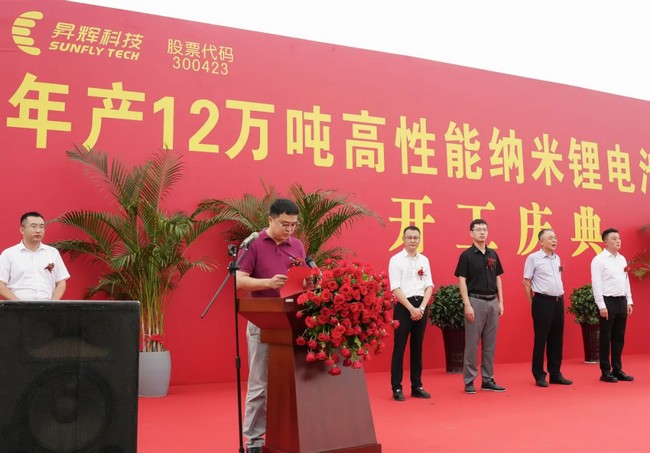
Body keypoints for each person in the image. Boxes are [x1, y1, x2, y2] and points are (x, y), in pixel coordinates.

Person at [236, 199, 306, 453]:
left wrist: (309, 282)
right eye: (285, 224)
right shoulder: (254, 244)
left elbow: (302, 277)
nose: (290, 230)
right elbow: (238, 281)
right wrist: (267, 283)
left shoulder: (297, 245)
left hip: (292, 322)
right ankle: (254, 441)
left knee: (293, 383)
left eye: (294, 225)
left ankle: (289, 436)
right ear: (270, 220)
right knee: (260, 384)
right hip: (262, 322)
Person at [454, 219, 505, 394]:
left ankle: (488, 379)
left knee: (490, 344)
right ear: (471, 233)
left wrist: (501, 301)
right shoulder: (466, 255)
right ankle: (469, 380)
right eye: (478, 230)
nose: (482, 232)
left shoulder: (493, 254)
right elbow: (462, 280)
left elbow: (498, 278)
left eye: (485, 229)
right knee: (472, 344)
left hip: (492, 301)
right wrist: (467, 304)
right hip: (475, 301)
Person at [388, 226, 434, 401]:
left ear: (420, 239)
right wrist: (411, 309)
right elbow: (395, 288)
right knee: (399, 348)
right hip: (403, 306)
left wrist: (421, 308)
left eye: (416, 237)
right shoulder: (396, 260)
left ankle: (417, 386)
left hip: (421, 306)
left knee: (417, 348)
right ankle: (397, 387)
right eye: (409, 237)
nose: (413, 240)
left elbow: (429, 285)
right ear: (403, 239)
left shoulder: (424, 260)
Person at [522, 229, 572, 387]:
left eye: (555, 238)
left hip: (558, 301)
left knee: (557, 339)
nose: (554, 240)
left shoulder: (557, 258)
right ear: (541, 242)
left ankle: (555, 374)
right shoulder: (533, 258)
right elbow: (526, 281)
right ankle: (539, 375)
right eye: (550, 238)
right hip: (542, 302)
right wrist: (532, 303)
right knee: (541, 339)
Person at [591, 228, 634, 383]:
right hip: (607, 302)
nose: (618, 241)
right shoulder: (599, 260)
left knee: (619, 338)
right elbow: (596, 284)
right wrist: (601, 305)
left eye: (619, 238)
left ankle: (617, 369)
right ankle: (605, 371)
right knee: (605, 337)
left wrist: (629, 300)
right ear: (605, 242)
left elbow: (625, 281)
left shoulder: (622, 259)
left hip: (621, 301)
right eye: (614, 238)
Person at [0, 211, 70, 300]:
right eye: (33, 226)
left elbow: (61, 282)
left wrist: (52, 303)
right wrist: (18, 303)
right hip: (17, 306)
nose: (38, 230)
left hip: (47, 306)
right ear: (22, 230)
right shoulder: (9, 254)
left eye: (42, 227)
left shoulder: (53, 252)